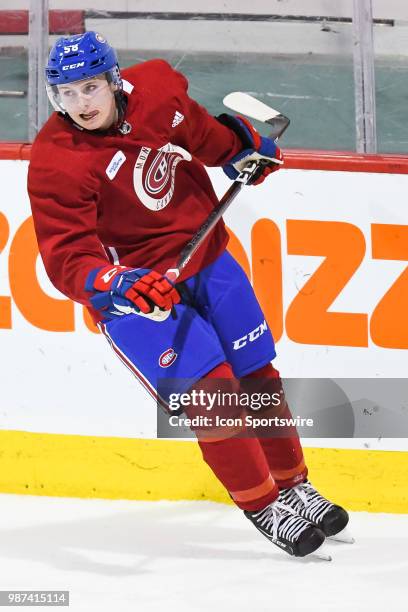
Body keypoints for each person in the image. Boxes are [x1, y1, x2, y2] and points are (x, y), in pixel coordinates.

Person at [28, 31, 349, 558]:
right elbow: (67, 258)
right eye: (67, 93)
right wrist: (117, 284)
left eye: (90, 88)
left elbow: (196, 129)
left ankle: (295, 486)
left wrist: (240, 149)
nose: (80, 104)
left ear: (113, 81)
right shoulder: (56, 160)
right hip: (142, 297)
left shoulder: (156, 87)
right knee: (215, 401)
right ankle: (264, 504)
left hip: (208, 260)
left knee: (257, 377)